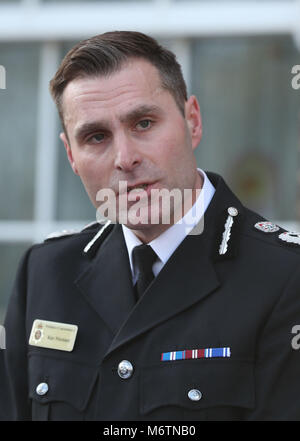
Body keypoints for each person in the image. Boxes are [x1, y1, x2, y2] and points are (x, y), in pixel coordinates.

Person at [1, 31, 300, 421]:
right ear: (71, 156)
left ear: (192, 121)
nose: (125, 158)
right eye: (96, 136)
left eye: (143, 123)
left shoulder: (284, 277)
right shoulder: (44, 273)